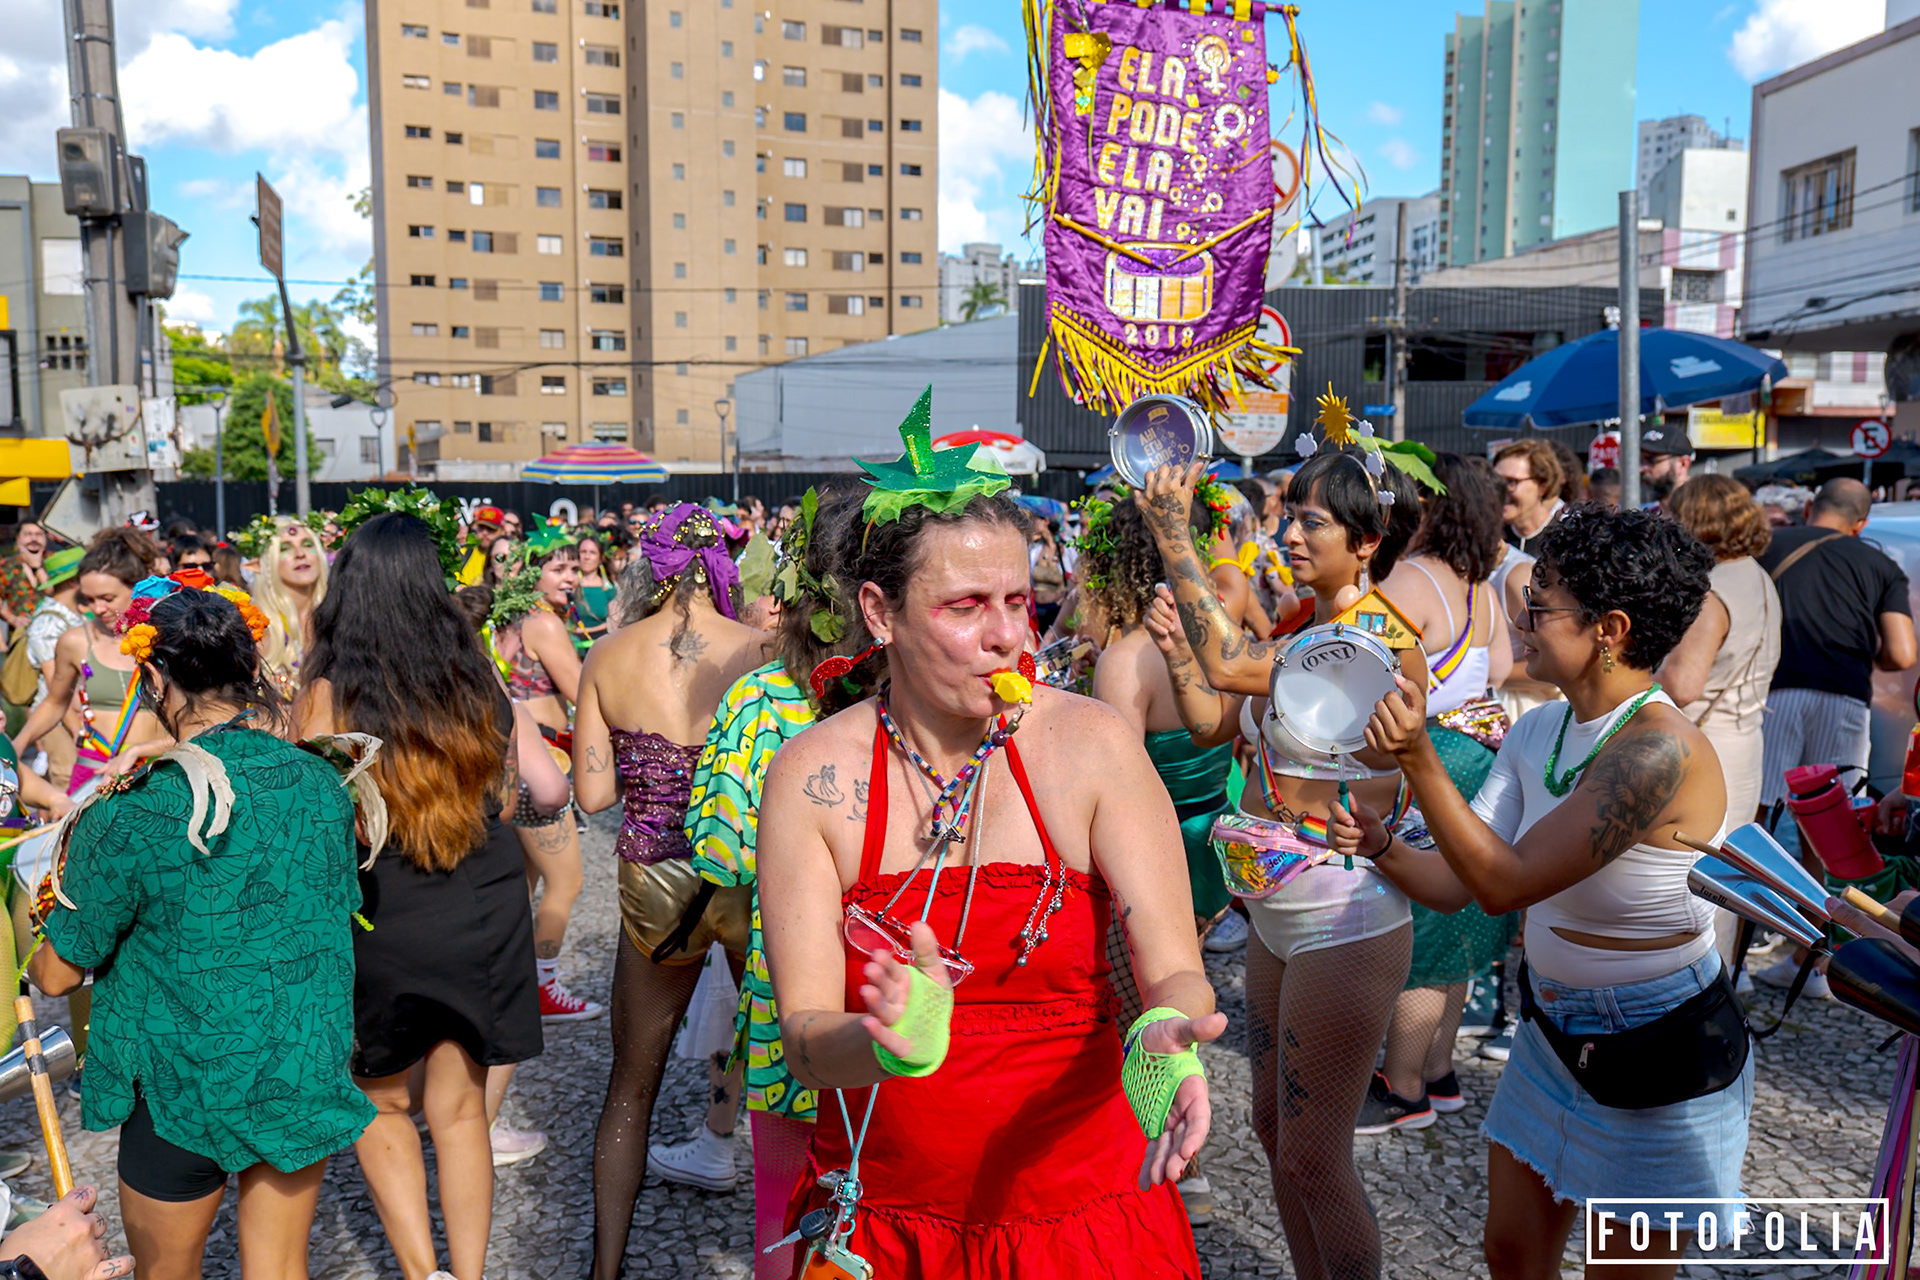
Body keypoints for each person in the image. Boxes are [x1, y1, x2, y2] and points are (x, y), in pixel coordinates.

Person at [758, 400, 1219, 1277]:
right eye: (965, 606)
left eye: (1017, 600)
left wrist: (1167, 1034)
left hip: (1084, 1217)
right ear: (880, 613)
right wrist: (888, 1041)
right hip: (894, 1223)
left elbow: (1172, 962)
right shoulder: (813, 776)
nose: (1007, 635)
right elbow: (806, 1041)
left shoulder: (1091, 745)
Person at [1330, 503, 1743, 1277]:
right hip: (1553, 1028)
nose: (1519, 619)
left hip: (1659, 1039)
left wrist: (1420, 757)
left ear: (1610, 629)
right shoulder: (1537, 732)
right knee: (1512, 1255)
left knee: (1623, 1273)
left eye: (1540, 604)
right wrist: (1381, 843)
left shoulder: (1660, 750)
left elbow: (1504, 884)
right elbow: (1452, 883)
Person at [31, 578, 372, 1280]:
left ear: (155, 678)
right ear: (250, 668)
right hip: (292, 1057)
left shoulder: (134, 808)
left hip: (181, 1076)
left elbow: (59, 973)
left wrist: (36, 924)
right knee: (280, 1269)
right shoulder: (321, 782)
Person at [1139, 442, 1424, 1280]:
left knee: (1314, 1155)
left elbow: (1232, 664)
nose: (1291, 536)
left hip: (1345, 913)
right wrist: (1180, 652)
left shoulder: (1375, 639)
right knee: (1273, 1133)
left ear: (1368, 542)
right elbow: (1212, 722)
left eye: (1313, 523)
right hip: (1273, 903)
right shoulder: (1305, 629)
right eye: (1291, 518)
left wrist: (1174, 534)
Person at [296, 512, 547, 1280]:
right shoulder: (477, 675)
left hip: (384, 901)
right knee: (462, 1108)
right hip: (481, 894)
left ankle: (420, 1272)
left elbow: (313, 819)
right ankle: (468, 1275)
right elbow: (508, 797)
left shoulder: (329, 692)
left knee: (380, 1101)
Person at [674, 486, 871, 1280]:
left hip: (794, 991)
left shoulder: (761, 701)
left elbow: (718, 854)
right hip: (915, 992)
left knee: (785, 1217)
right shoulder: (944, 704)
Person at [571, 503, 771, 1280]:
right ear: (722, 565)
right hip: (746, 870)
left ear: (647, 567)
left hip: (654, 876)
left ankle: (605, 1271)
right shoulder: (760, 651)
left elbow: (593, 796)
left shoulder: (607, 654)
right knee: (792, 1071)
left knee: (631, 1088)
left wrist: (652, 770)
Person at [1368, 452, 1516, 1131]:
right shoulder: (1480, 586)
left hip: (1429, 761)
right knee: (1456, 922)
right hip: (1478, 757)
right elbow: (1503, 667)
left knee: (1423, 926)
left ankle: (1403, 1089)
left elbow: (1368, 668)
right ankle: (1439, 1072)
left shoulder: (1408, 579)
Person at [1752, 477, 1914, 993]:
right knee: (1827, 834)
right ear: (1860, 523)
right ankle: (1814, 960)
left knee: (1751, 824)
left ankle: (1729, 955)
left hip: (1771, 694)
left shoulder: (1768, 546)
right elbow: (1902, 653)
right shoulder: (1879, 564)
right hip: (1843, 697)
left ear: (1809, 508)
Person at [490, 528, 599, 1019]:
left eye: (575, 568)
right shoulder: (544, 624)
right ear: (532, 575)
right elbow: (583, 693)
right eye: (559, 569)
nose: (571, 577)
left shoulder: (508, 619)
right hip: (542, 766)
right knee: (566, 880)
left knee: (520, 884)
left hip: (514, 765)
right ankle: (543, 989)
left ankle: (504, 985)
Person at [14, 530, 170, 794]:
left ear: (137, 587)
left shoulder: (169, 638)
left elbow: (200, 720)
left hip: (157, 770)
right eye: (89, 600)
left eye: (108, 599)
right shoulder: (75, 641)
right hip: (94, 771)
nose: (98, 609)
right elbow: (55, 702)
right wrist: (16, 746)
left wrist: (143, 749)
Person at [24, 548, 85, 790]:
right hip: (58, 721)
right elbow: (56, 687)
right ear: (73, 581)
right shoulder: (49, 623)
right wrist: (76, 731)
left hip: (80, 714)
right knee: (67, 784)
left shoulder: (74, 614)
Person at [252, 517, 330, 697]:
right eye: (285, 548)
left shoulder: (339, 618)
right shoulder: (257, 626)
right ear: (267, 562)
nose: (300, 554)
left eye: (308, 545)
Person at [1493, 440, 1564, 556]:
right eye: (1496, 481)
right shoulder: (1492, 539)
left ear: (1542, 485)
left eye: (1511, 482)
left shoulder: (1564, 539)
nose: (1501, 490)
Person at [0, 521, 49, 632]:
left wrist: (38, 568)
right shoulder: (6, 566)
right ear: (18, 539)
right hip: (22, 635)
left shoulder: (56, 562)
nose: (34, 539)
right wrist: (11, 618)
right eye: (27, 534)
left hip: (55, 632)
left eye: (39, 535)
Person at [571, 531, 615, 652]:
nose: (587, 557)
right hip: (572, 646)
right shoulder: (568, 585)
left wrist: (587, 632)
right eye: (583, 552)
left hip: (601, 647)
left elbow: (614, 622)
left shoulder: (608, 589)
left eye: (592, 553)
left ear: (600, 558)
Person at [1639, 424, 1694, 506]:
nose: (1641, 469)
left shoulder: (1705, 510)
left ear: (1683, 463)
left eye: (1650, 460)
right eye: (1640, 461)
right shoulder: (1644, 510)